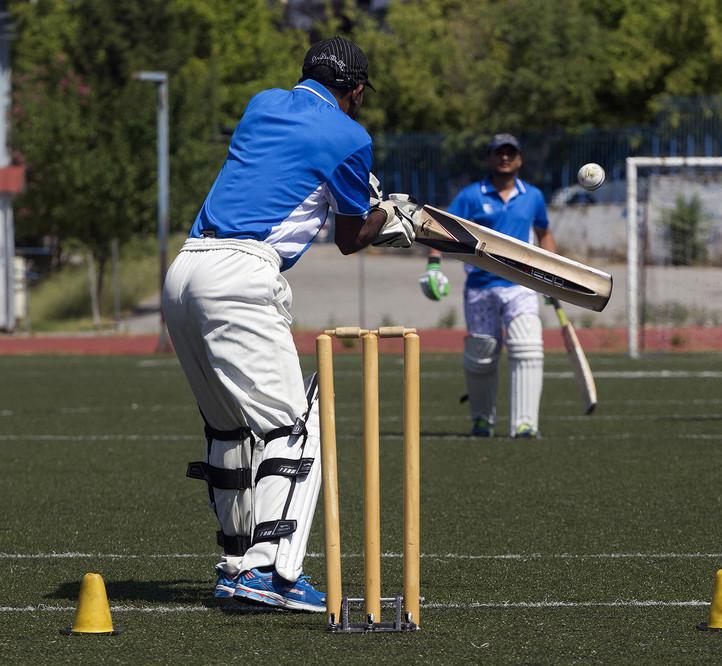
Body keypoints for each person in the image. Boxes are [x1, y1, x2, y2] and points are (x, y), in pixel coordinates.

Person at [163, 36, 417, 610]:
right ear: (353, 91)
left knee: (228, 428)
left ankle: (234, 562)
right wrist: (391, 214)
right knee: (292, 429)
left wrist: (367, 201)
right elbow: (351, 238)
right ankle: (267, 572)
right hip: (242, 276)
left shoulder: (261, 103)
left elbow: (289, 175)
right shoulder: (352, 136)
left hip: (185, 269)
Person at [419, 133, 554, 438]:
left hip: (522, 285)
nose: (505, 158)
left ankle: (525, 423)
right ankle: (482, 419)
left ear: (519, 159)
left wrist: (554, 279)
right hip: (480, 286)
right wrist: (433, 265)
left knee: (527, 347)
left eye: (511, 153)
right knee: (481, 354)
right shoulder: (470, 195)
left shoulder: (532, 196)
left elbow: (544, 233)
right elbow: (441, 228)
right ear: (490, 158)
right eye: (499, 153)